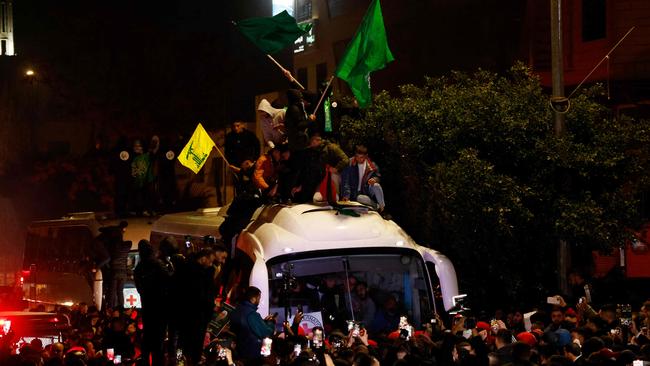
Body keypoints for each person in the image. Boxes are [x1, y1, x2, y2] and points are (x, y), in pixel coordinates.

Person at [134, 239, 172, 366]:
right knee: (159, 338)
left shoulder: (139, 268)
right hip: (160, 306)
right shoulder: (158, 264)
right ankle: (158, 361)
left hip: (147, 306)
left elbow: (139, 288)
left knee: (148, 336)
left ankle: (145, 361)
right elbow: (168, 280)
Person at [179, 248, 217, 366]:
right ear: (203, 258)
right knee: (194, 343)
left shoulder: (189, 268)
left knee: (189, 344)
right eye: (210, 261)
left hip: (192, 313)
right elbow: (202, 296)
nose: (211, 264)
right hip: (196, 314)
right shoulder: (199, 274)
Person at [229, 286, 276, 364]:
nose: (259, 301)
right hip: (251, 356)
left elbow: (248, 326)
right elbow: (266, 332)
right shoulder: (251, 314)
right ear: (253, 298)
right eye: (258, 298)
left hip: (239, 354)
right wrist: (271, 323)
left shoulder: (237, 310)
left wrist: (263, 322)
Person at [341, 144, 386, 213]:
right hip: (355, 193)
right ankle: (377, 207)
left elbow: (378, 176)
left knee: (377, 186)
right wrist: (346, 195)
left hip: (366, 190)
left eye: (361, 157)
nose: (359, 159)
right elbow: (345, 180)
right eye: (357, 157)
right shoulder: (349, 163)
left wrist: (374, 179)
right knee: (361, 198)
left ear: (366, 156)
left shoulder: (371, 165)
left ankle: (382, 208)